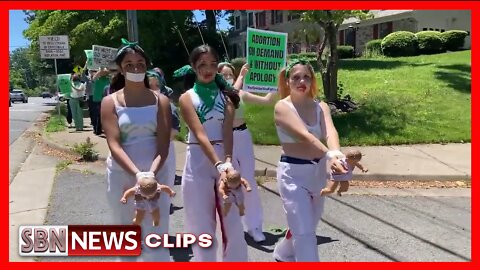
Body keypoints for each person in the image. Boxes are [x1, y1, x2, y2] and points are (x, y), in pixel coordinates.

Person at [101, 38, 172, 262]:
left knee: (156, 228)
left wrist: (150, 173)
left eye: (140, 63)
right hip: (123, 172)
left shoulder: (161, 101)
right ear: (121, 68)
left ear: (147, 66)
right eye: (129, 64)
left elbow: (163, 143)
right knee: (126, 227)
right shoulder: (110, 102)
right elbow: (114, 143)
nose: (135, 68)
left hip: (157, 170)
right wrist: (137, 174)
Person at [177, 44, 248, 261]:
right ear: (193, 67)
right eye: (202, 65)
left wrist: (227, 161)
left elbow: (228, 131)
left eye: (212, 64)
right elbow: (199, 134)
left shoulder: (226, 97)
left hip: (225, 158)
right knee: (201, 224)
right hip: (198, 159)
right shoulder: (186, 98)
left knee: (232, 221)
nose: (208, 69)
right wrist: (218, 164)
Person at [272, 59, 347, 262]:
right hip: (293, 174)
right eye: (296, 77)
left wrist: (337, 154)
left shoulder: (320, 106)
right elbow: (306, 135)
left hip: (318, 174)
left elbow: (330, 131)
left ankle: (283, 253)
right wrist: (329, 154)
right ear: (287, 81)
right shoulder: (282, 107)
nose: (301, 81)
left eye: (306, 76)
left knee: (307, 225)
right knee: (305, 233)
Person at [217, 62, 276, 242]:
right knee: (227, 182)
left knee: (248, 179)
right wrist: (242, 77)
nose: (228, 77)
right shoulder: (216, 95)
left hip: (242, 136)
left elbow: (267, 101)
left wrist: (274, 83)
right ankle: (228, 224)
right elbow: (230, 94)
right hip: (224, 139)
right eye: (224, 75)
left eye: (230, 74)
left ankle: (254, 225)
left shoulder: (241, 93)